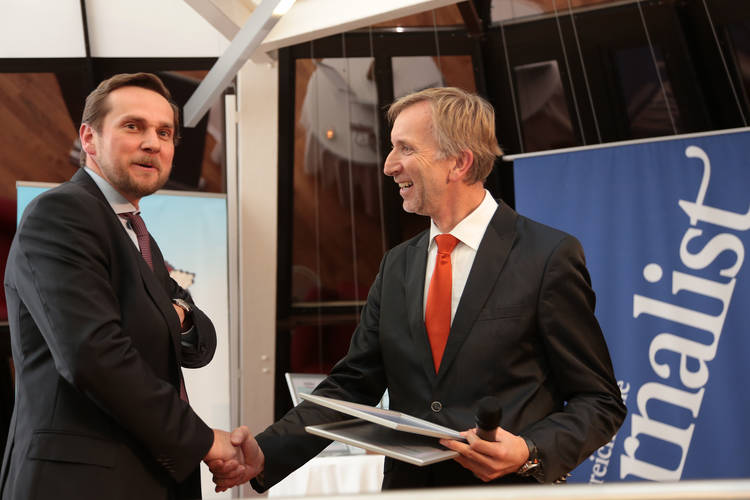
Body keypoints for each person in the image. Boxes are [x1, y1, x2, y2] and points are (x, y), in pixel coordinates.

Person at [212, 87, 626, 491]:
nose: (389, 165)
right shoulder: (397, 264)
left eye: (405, 149)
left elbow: (599, 400)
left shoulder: (547, 256)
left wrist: (529, 450)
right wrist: (266, 453)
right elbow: (352, 385)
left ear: (459, 162)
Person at [0, 73, 248, 500]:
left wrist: (171, 314)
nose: (152, 142)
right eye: (133, 126)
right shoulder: (62, 214)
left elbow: (199, 342)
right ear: (89, 138)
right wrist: (204, 441)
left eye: (164, 132)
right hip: (77, 486)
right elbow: (93, 355)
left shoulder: (134, 233)